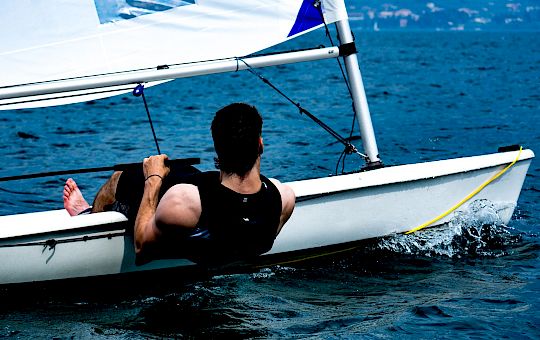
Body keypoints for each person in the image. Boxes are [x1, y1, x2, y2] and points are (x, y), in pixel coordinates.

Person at [63, 103, 295, 265]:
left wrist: (153, 178)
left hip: (190, 206)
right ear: (261, 144)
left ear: (217, 149)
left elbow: (142, 251)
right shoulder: (283, 198)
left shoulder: (183, 201)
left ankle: (86, 214)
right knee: (186, 173)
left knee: (119, 178)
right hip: (207, 192)